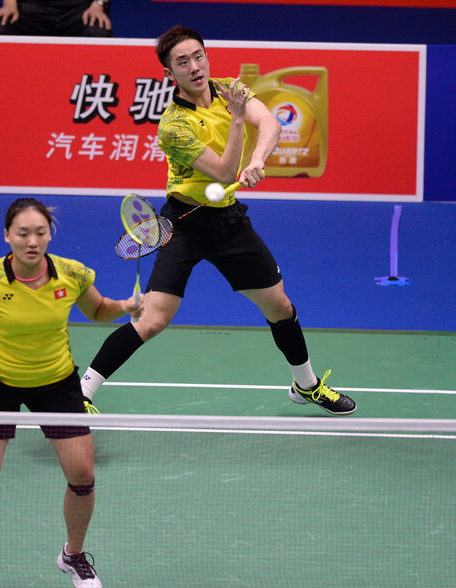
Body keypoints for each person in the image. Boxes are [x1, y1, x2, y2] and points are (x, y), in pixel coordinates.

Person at [79, 25, 356, 416]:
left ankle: (305, 385)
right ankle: (82, 392)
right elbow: (226, 173)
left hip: (228, 222)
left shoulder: (228, 88)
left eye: (198, 56)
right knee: (153, 318)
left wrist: (259, 159)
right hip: (184, 224)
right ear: (168, 74)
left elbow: (272, 124)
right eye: (182, 62)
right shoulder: (174, 126)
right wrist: (239, 119)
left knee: (279, 306)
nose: (194, 67)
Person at [0, 198, 139, 588]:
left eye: (40, 233)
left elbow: (98, 311)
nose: (32, 241)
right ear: (7, 235)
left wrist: (126, 307)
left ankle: (73, 555)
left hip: (57, 382)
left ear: (51, 234)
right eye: (23, 233)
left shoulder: (71, 273)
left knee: (82, 475)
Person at [0, 0, 111, 37]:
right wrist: (9, 4)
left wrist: (98, 5)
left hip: (78, 11)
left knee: (98, 32)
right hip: (31, 9)